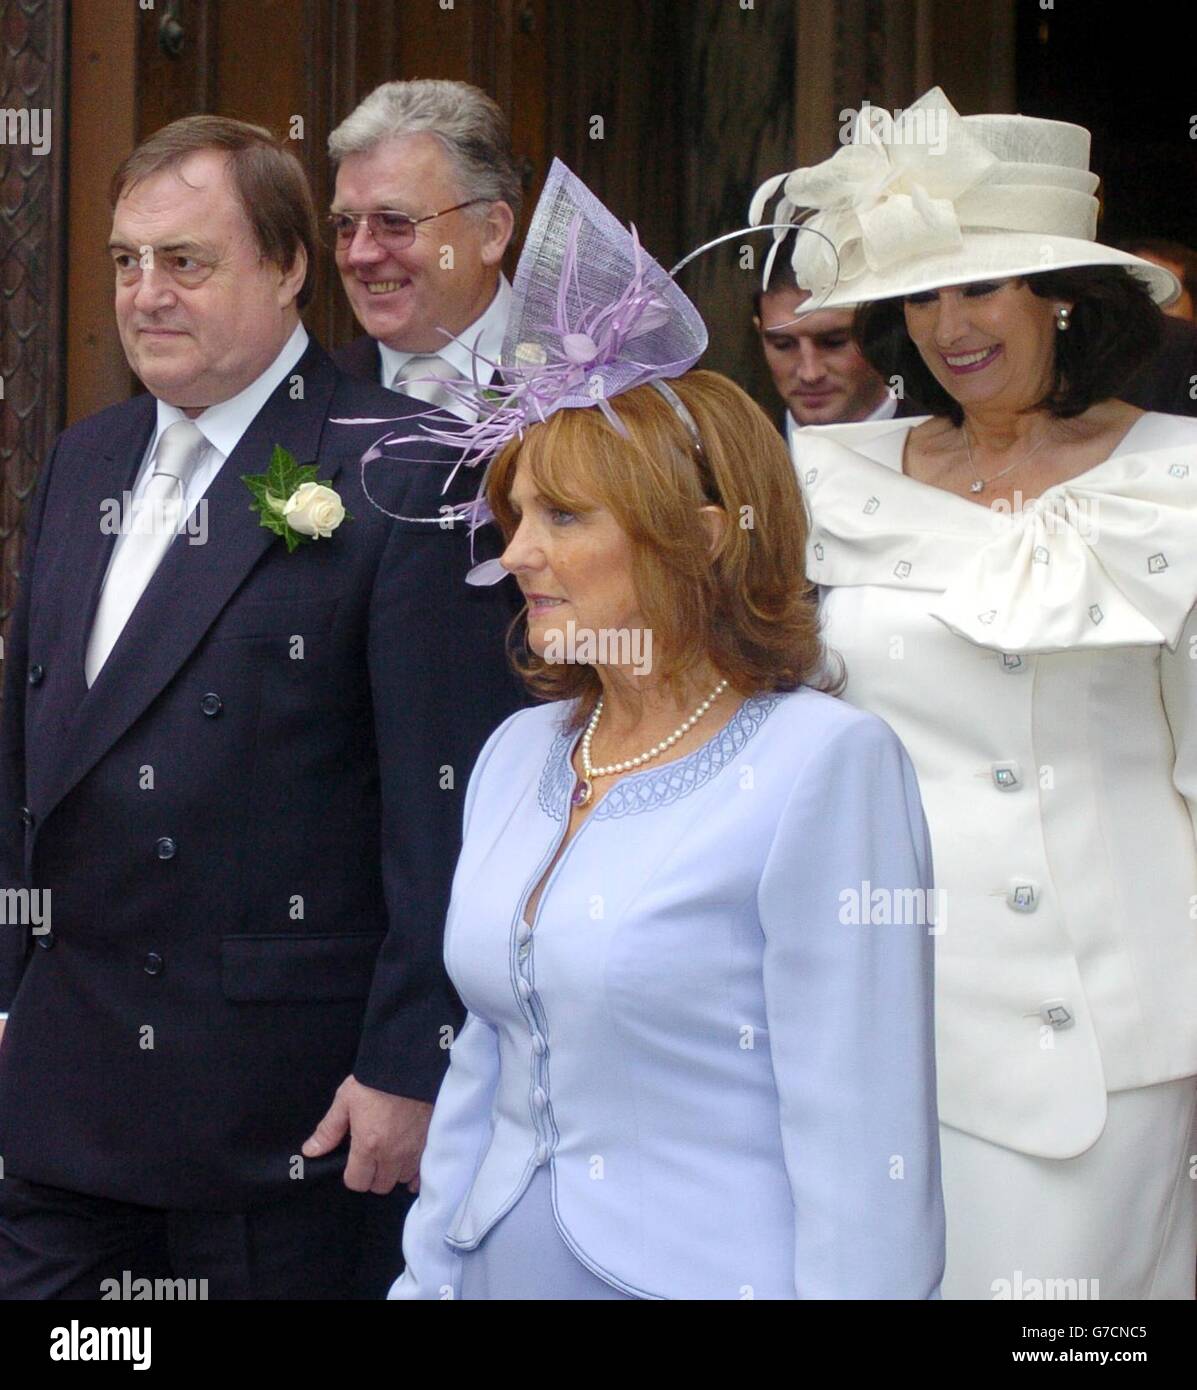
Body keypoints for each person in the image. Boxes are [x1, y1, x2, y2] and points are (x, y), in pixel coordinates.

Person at [385, 160, 945, 1300]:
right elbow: (484, 1061)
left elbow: (866, 1132)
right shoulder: (519, 755)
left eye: (564, 516)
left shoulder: (823, 767)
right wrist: (427, 1275)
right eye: (516, 514)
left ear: (694, 535)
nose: (519, 552)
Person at [0, 116, 522, 1299]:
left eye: (186, 261)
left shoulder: (404, 466)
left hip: (285, 1123)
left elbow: (446, 805)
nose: (146, 294)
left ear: (290, 267)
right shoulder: (84, 460)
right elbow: (28, 763)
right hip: (66, 1103)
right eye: (127, 261)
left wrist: (411, 1062)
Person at [754, 87, 1197, 1299]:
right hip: (871, 1010)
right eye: (925, 293)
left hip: (1103, 1043)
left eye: (983, 287)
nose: (949, 325)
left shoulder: (1177, 481)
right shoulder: (829, 474)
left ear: (1064, 295)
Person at [328, 79, 518, 415]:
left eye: (394, 222)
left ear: (491, 232)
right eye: (345, 224)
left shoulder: (594, 390)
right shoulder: (308, 396)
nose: (359, 254)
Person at [753, 229, 922, 439]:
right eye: (783, 344)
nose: (810, 373)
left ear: (881, 331)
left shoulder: (959, 453)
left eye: (833, 342)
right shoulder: (732, 461)